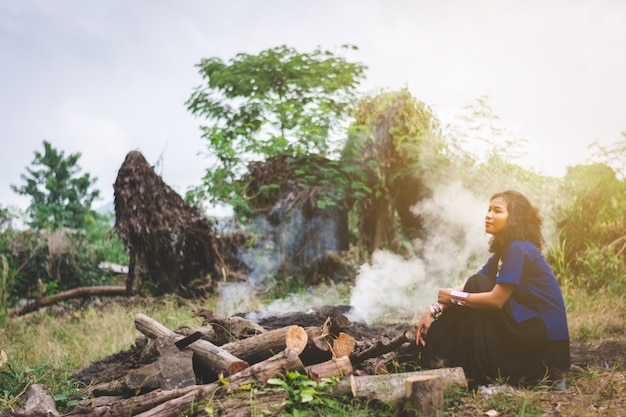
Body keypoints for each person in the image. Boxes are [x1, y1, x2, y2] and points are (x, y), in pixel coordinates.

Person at [413, 190, 570, 389]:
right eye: (488, 210)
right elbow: (468, 284)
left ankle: (423, 359)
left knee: (476, 288)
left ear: (514, 219)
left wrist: (451, 296)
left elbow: (496, 300)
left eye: (497, 211)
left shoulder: (519, 248)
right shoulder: (502, 254)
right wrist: (433, 309)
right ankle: (424, 359)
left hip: (544, 344)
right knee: (473, 289)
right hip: (527, 328)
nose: (488, 215)